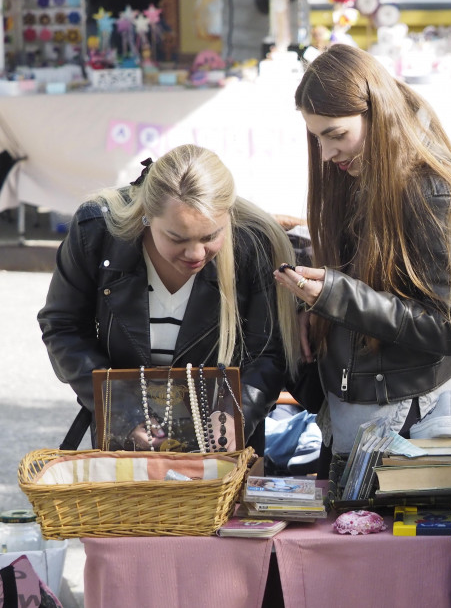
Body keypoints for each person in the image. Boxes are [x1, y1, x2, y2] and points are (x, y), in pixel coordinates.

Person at [272, 44, 451, 469]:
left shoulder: (432, 191)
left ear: (378, 112)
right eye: (317, 138)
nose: (327, 153)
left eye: (335, 135)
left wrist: (333, 297)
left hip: (412, 416)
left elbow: (449, 327)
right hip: (360, 403)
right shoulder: (357, 172)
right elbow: (367, 280)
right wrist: (314, 309)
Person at [38, 144, 301, 455]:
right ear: (146, 217)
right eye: (177, 238)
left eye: (210, 236)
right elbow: (63, 327)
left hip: (221, 453)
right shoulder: (96, 230)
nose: (195, 253)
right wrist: (121, 409)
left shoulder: (253, 242)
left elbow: (269, 353)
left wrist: (234, 419)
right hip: (124, 448)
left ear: (228, 217)